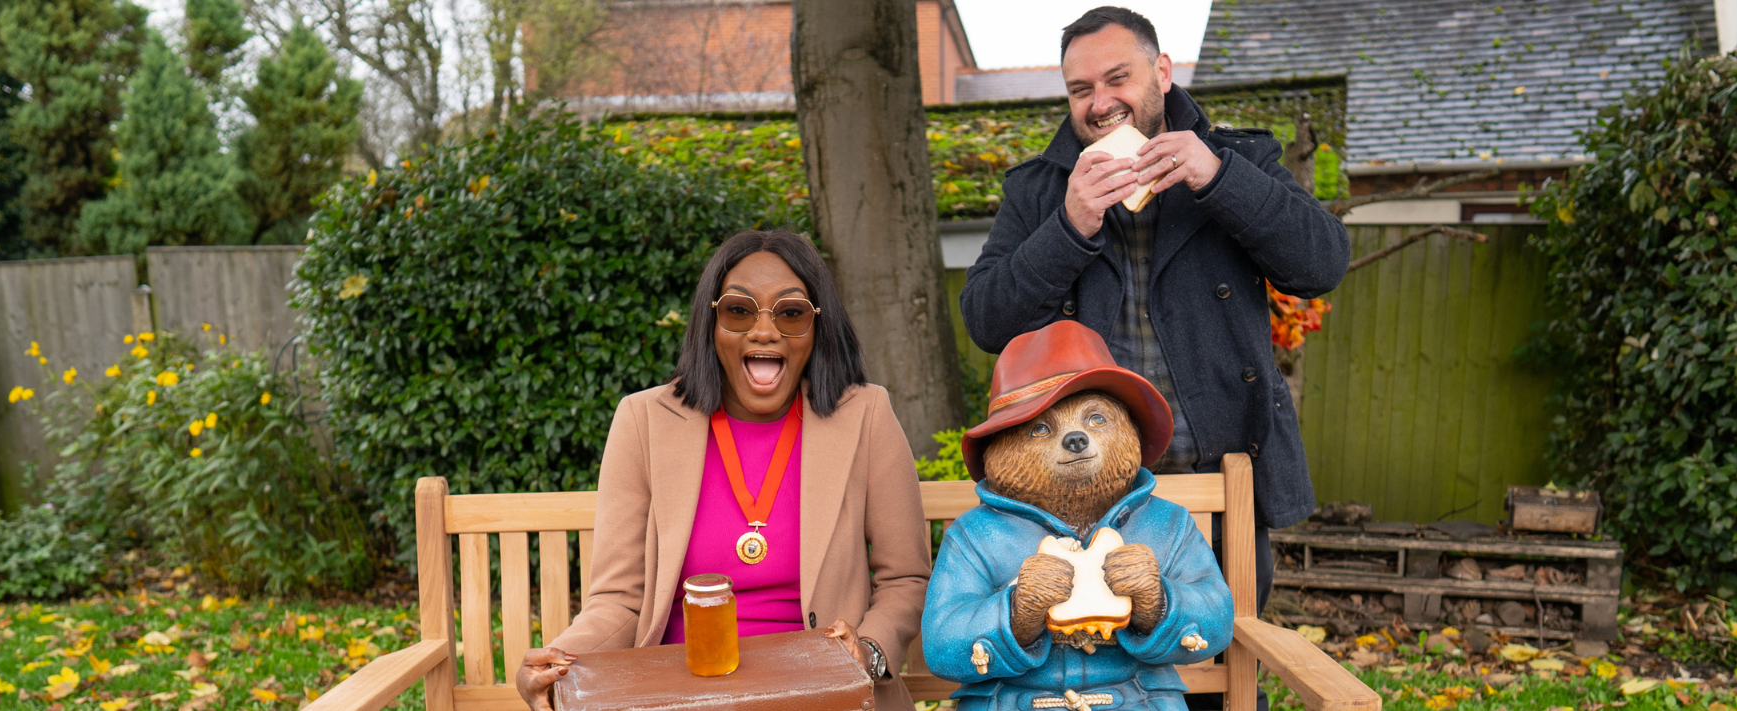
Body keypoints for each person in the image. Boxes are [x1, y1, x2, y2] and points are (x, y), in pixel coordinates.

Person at [956, 7, 1350, 709]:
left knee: (1216, 673)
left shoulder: (1238, 158)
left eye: (1118, 77)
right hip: (1077, 497)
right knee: (1096, 684)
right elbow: (985, 317)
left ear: (1162, 74)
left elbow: (1322, 263)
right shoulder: (1041, 189)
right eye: (1080, 89)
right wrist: (1069, 227)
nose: (1100, 101)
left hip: (1221, 488)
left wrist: (1218, 176)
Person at [514, 230, 933, 710]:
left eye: (791, 313)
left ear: (818, 327)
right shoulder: (645, 421)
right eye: (739, 310)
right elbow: (620, 600)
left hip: (820, 693)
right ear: (710, 323)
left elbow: (904, 578)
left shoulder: (865, 415)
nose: (764, 331)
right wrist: (562, 662)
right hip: (678, 695)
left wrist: (870, 651)